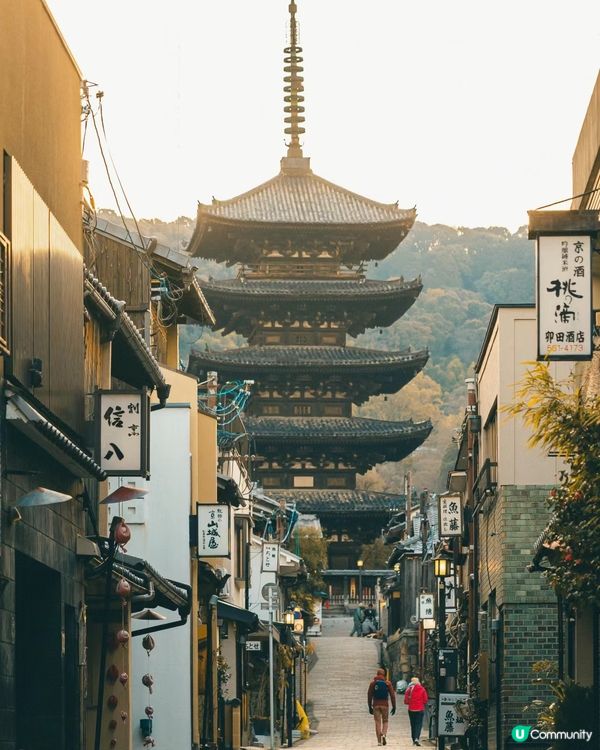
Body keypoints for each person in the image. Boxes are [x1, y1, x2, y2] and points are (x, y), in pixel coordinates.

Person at [367, 667, 396, 746]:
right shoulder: (388, 683)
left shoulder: (373, 683)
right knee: (385, 721)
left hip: (376, 705)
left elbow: (369, 695)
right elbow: (392, 695)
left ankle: (379, 742)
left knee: (377, 722)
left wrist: (369, 706)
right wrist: (394, 706)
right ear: (384, 675)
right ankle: (383, 734)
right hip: (385, 705)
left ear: (377, 674)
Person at [403, 676, 428, 746]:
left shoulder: (409, 689)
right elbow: (425, 700)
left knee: (413, 724)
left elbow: (406, 701)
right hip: (420, 709)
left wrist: (411, 702)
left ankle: (414, 739)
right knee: (419, 724)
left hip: (411, 709)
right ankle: (417, 738)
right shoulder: (422, 689)